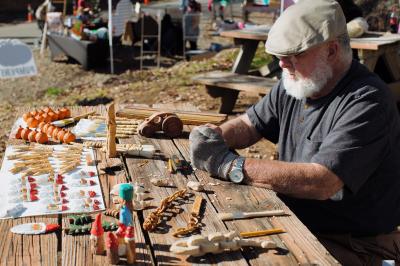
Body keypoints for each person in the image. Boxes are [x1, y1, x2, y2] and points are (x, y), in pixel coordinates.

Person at [189, 0, 400, 264]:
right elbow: (249, 124)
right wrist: (215, 137)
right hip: (298, 222)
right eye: (281, 55)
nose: (283, 64)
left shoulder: (367, 101)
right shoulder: (299, 81)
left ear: (332, 50)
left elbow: (322, 181)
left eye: (294, 55)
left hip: (356, 245)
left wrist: (230, 164)